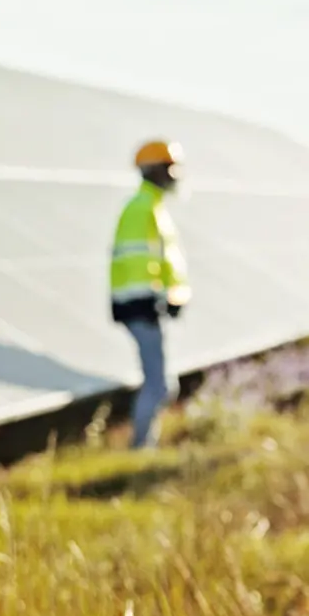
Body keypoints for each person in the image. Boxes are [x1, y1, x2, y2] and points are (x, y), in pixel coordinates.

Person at [109, 139, 190, 449]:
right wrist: (153, 300)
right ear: (156, 171)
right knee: (159, 384)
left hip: (147, 306)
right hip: (141, 308)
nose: (177, 175)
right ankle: (141, 448)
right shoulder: (141, 209)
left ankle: (145, 445)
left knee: (161, 384)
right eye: (171, 168)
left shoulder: (153, 207)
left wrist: (172, 296)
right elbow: (134, 264)